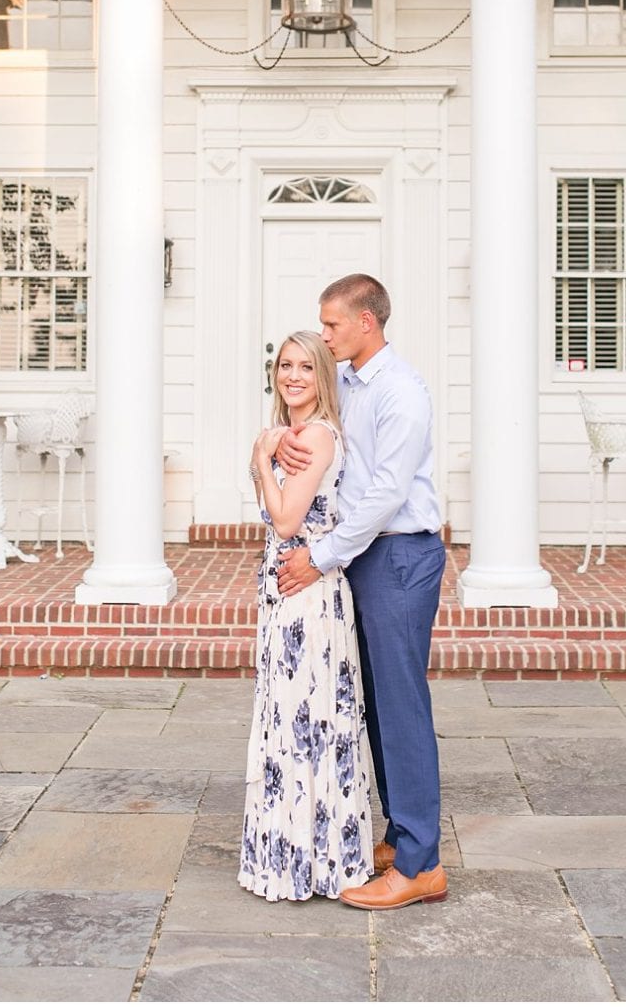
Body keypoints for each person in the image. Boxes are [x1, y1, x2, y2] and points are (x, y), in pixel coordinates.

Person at [274, 273, 448, 911]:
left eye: (332, 325)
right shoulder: (345, 382)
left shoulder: (402, 392)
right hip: (362, 557)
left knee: (401, 707)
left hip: (400, 554)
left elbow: (385, 495)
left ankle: (421, 865)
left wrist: (320, 556)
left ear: (366, 323)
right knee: (371, 702)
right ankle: (401, 838)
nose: (324, 335)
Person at [239, 329, 375, 901]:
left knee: (307, 719)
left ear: (323, 377)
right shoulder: (291, 434)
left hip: (309, 597)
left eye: (305, 367)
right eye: (285, 365)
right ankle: (294, 849)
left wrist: (258, 460)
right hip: (285, 592)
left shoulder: (315, 435)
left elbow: (288, 520)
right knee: (289, 714)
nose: (292, 376)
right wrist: (267, 453)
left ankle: (313, 858)